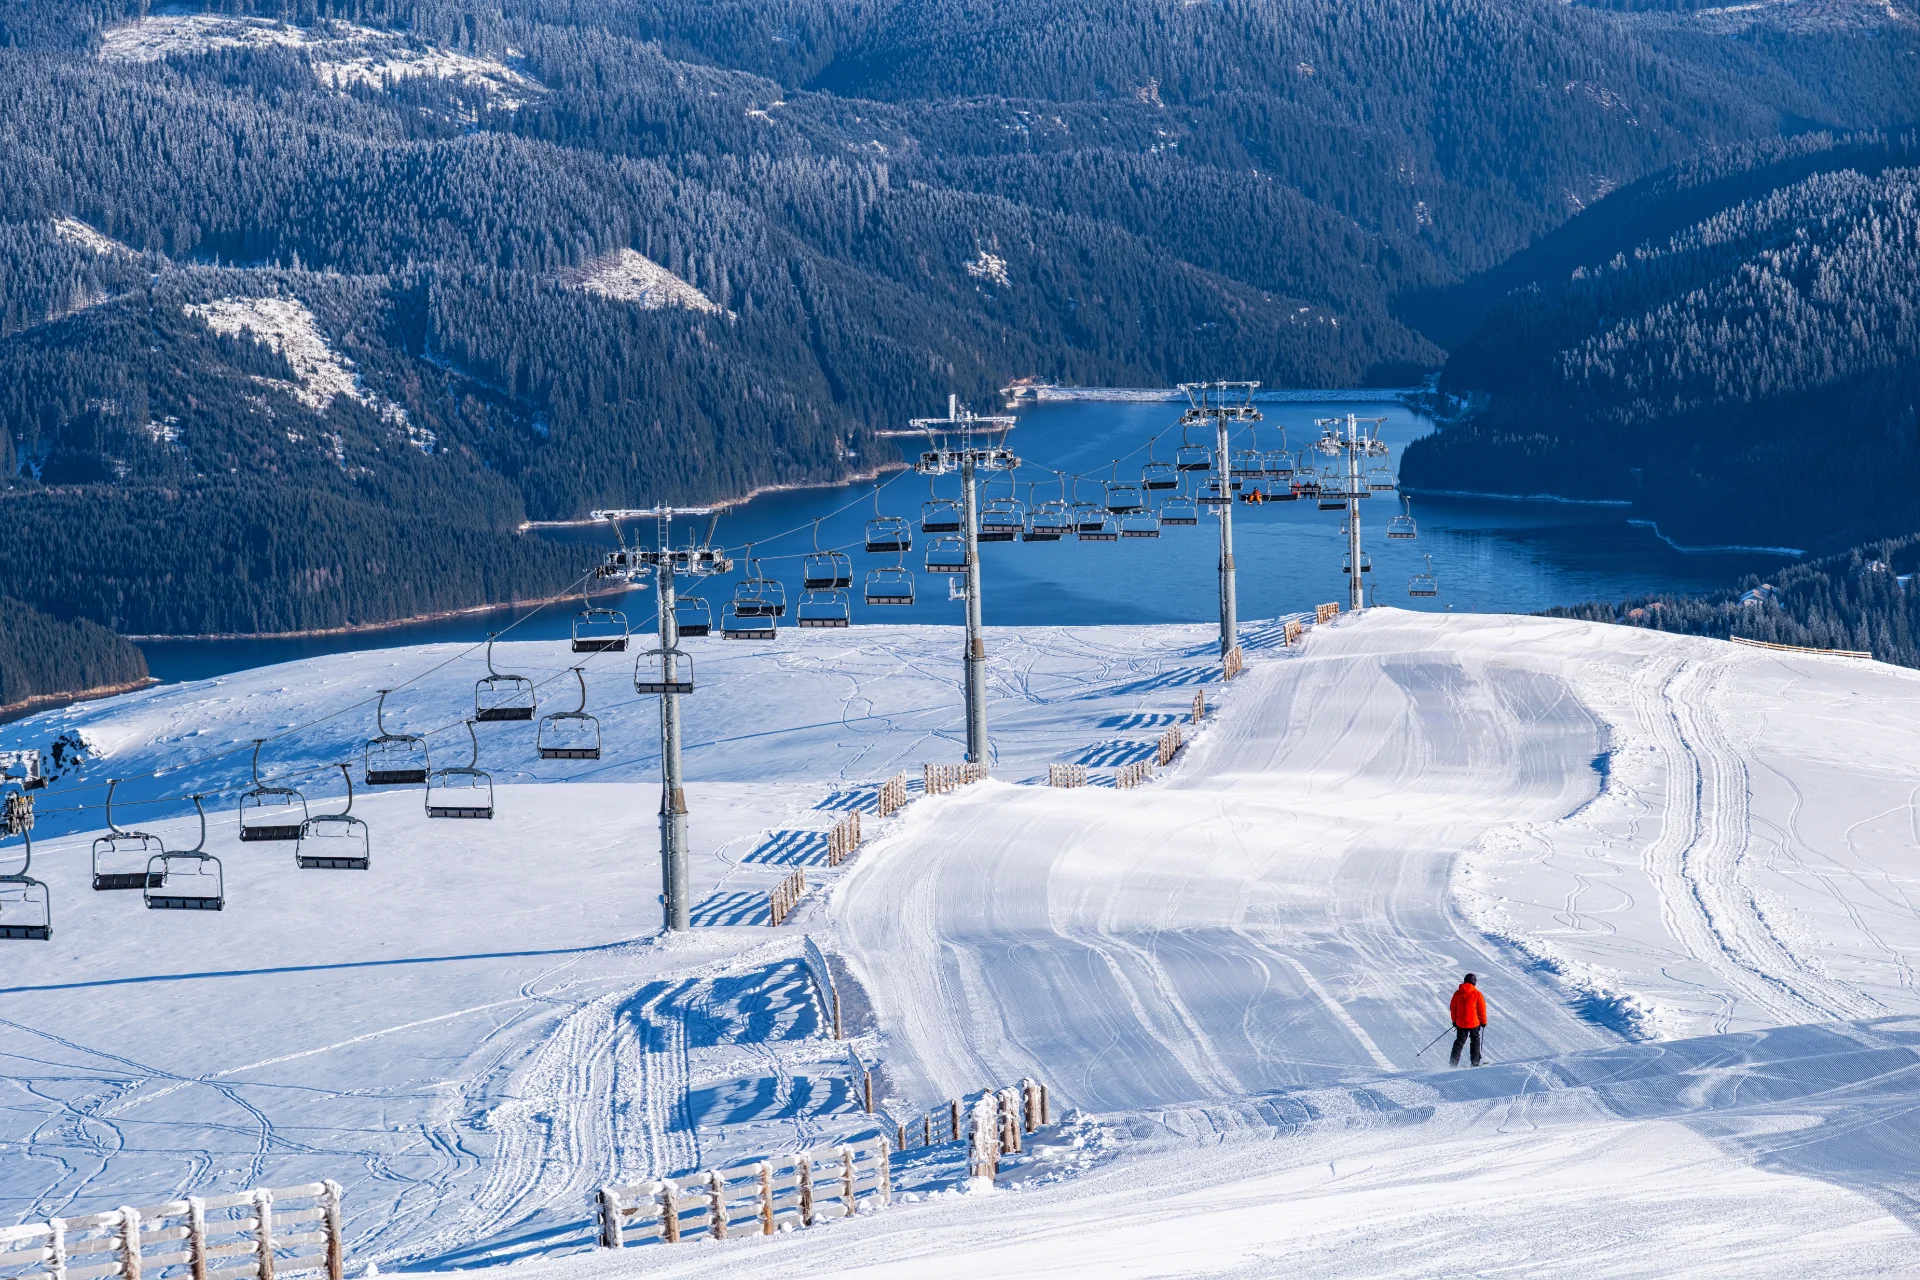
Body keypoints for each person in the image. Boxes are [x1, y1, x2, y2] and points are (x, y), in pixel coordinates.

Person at [1449, 973, 1487, 1067]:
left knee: (1459, 1042)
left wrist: (1454, 1021)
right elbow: (1482, 1009)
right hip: (1474, 1023)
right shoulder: (1477, 993)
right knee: (1475, 1040)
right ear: (1474, 982)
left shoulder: (1457, 993)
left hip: (1461, 1023)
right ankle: (1475, 1062)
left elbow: (1453, 1008)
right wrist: (1483, 1021)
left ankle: (1453, 1064)